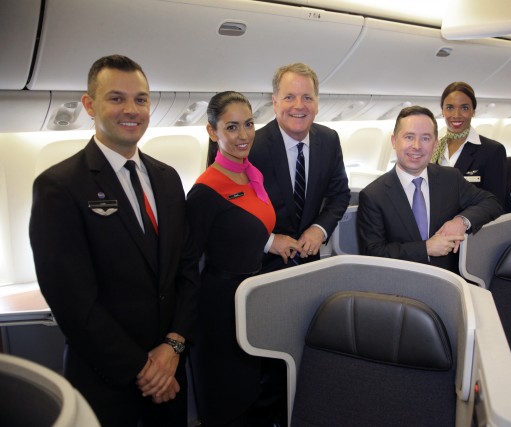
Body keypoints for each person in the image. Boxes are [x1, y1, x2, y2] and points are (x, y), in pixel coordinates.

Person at [29, 55, 199, 426]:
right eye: (116, 98)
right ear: (90, 105)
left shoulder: (168, 179)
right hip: (106, 380)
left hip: (170, 373)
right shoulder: (60, 186)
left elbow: (185, 271)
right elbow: (73, 302)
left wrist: (173, 346)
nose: (131, 110)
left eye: (140, 99)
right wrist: (144, 369)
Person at [185, 92, 278, 426]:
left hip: (251, 299)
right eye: (232, 127)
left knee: (254, 394)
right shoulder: (206, 190)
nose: (244, 135)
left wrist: (273, 242)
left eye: (249, 124)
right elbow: (187, 260)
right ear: (213, 132)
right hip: (218, 310)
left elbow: (244, 230)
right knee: (227, 403)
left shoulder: (252, 176)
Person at [357, 105, 503, 274]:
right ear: (394, 141)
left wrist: (461, 221)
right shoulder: (374, 195)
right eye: (409, 137)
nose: (417, 146)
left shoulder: (450, 178)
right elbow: (372, 252)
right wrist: (425, 248)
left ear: (435, 144)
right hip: (399, 284)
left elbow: (491, 202)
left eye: (425, 138)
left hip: (449, 280)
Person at [249, 62, 350, 273]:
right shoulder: (251, 147)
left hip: (308, 261)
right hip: (261, 263)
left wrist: (319, 229)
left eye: (307, 97)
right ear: (275, 103)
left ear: (317, 103)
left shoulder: (329, 140)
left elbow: (339, 195)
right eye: (289, 97)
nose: (299, 105)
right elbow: (234, 213)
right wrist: (269, 241)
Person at [432, 82, 507, 201]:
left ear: (473, 111)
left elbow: (495, 202)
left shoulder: (492, 151)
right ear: (442, 111)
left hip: (473, 219)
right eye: (450, 108)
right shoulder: (433, 149)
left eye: (464, 108)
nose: (456, 115)